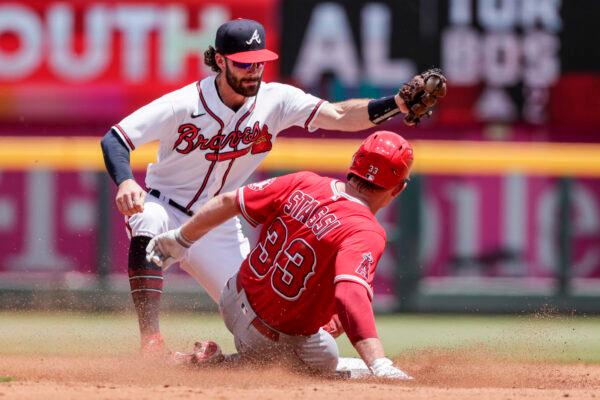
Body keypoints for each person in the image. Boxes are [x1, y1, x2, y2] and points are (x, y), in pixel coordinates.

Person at [100, 17, 443, 353]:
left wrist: (394, 105)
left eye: (259, 63)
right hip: (166, 206)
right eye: (243, 64)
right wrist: (126, 180)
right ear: (219, 61)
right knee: (147, 218)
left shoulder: (275, 99)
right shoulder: (184, 104)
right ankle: (152, 343)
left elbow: (338, 115)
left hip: (216, 223)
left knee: (263, 312)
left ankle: (215, 364)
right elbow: (116, 139)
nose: (254, 71)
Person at [146, 131, 415, 379]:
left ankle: (223, 359)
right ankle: (221, 364)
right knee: (327, 359)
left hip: (231, 298)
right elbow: (349, 295)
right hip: (266, 338)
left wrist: (180, 237)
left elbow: (229, 202)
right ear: (399, 188)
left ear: (352, 165)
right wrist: (378, 362)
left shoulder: (304, 181)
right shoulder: (366, 230)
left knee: (326, 317)